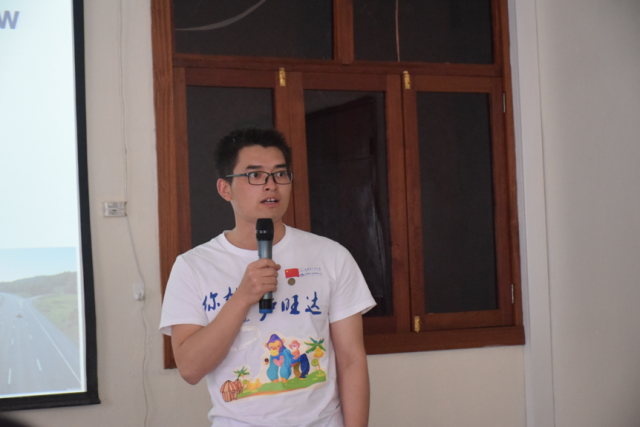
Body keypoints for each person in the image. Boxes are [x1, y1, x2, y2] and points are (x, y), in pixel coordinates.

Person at [160, 128, 375, 427]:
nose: (271, 185)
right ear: (225, 189)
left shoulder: (331, 256)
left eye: (280, 174)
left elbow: (351, 360)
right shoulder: (193, 266)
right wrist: (242, 298)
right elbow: (190, 369)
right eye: (255, 175)